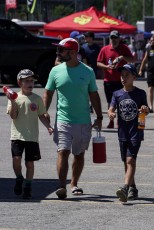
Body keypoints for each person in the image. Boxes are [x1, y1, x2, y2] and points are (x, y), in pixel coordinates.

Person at [43, 38, 103, 199]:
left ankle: (74, 183)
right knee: (63, 151)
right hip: (63, 119)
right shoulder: (55, 71)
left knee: (79, 154)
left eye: (62, 50)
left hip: (83, 121)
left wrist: (99, 116)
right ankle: (61, 185)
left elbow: (94, 95)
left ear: (72, 52)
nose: (59, 52)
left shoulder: (87, 71)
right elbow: (48, 92)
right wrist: (45, 110)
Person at [6, 69, 53, 199]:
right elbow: (13, 116)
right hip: (17, 135)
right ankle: (19, 178)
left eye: (32, 80)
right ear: (19, 82)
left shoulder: (37, 99)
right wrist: (13, 101)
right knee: (16, 159)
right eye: (27, 81)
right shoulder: (14, 97)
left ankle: (28, 186)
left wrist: (49, 126)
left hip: (32, 136)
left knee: (30, 163)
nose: (30, 83)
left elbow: (41, 116)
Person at [107, 64, 149, 202]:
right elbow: (111, 108)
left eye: (127, 75)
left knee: (131, 160)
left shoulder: (140, 93)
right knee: (126, 161)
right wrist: (111, 113)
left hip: (136, 132)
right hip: (122, 133)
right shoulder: (117, 94)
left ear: (134, 77)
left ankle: (125, 188)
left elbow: (146, 110)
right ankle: (133, 188)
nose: (123, 78)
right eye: (122, 75)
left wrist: (144, 109)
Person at [97, 30, 134, 128]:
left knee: (121, 101)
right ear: (110, 38)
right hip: (108, 80)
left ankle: (119, 121)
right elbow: (98, 63)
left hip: (121, 80)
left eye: (116, 38)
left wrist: (122, 57)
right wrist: (106, 67)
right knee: (110, 102)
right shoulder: (104, 49)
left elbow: (133, 60)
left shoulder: (124, 48)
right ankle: (111, 121)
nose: (114, 40)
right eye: (112, 38)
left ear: (119, 38)